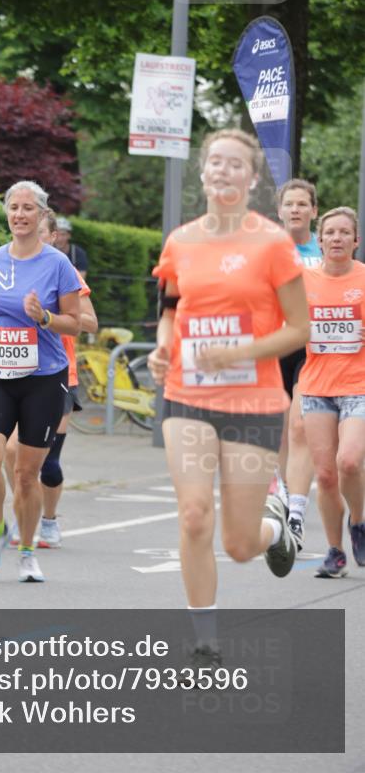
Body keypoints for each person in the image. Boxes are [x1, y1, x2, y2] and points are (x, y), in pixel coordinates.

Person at [148, 128, 309, 670]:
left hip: (254, 403)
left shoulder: (272, 243)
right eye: (214, 162)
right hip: (187, 396)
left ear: (253, 178)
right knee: (194, 514)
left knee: (239, 543)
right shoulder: (181, 241)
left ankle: (275, 529)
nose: (223, 171)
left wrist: (241, 348)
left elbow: (299, 329)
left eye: (235, 164)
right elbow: (171, 308)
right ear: (202, 172)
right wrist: (164, 349)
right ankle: (204, 641)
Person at [0, 181, 81, 582]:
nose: (20, 215)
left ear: (42, 215)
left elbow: (76, 324)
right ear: (6, 212)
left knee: (27, 475)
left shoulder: (58, 265)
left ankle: (27, 551)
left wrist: (44, 317)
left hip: (44, 377)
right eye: (14, 207)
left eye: (29, 208)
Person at [4, 209, 98, 548]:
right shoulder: (9, 265)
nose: (34, 239)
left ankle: (48, 521)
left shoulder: (64, 271)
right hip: (16, 372)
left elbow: (90, 323)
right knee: (11, 450)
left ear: (53, 238)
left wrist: (49, 315)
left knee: (47, 462)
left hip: (59, 374)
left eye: (42, 234)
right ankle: (24, 512)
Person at [297, 206, 365, 578]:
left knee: (349, 461)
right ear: (319, 241)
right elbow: (285, 326)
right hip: (317, 387)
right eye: (330, 233)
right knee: (324, 476)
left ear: (356, 240)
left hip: (359, 384)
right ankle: (335, 552)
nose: (337, 238)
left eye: (344, 232)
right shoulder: (303, 281)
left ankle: (359, 520)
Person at [276, 179, 322, 549]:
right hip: (273, 346)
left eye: (302, 204)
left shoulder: (322, 252)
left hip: (311, 349)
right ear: (280, 211)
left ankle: (296, 509)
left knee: (299, 426)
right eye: (289, 204)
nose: (295, 209)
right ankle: (286, 492)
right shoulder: (266, 251)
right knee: (279, 426)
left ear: (313, 211)